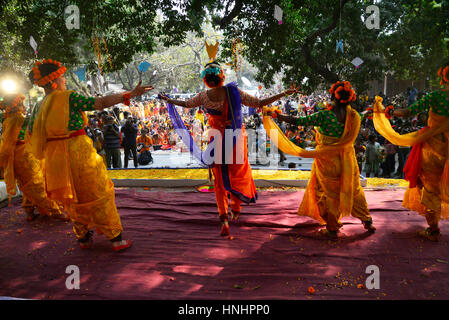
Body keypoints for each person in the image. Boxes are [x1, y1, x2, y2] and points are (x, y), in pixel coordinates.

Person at [160, 53, 297, 236]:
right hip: (235, 139)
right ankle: (236, 208)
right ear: (222, 75)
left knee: (219, 178)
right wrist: (283, 93)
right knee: (238, 173)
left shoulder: (203, 96)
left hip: (215, 139)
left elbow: (186, 104)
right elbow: (260, 102)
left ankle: (223, 217)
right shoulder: (234, 92)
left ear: (206, 79)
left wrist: (170, 101)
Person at [28, 58, 153, 251]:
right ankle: (116, 239)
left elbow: (31, 133)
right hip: (78, 153)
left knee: (73, 197)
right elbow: (100, 102)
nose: (65, 81)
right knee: (98, 192)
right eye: (62, 78)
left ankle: (83, 238)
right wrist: (129, 94)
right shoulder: (69, 98)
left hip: (55, 159)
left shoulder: (38, 106)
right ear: (54, 82)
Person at [264, 80, 376, 239]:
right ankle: (367, 220)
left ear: (333, 97)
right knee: (354, 189)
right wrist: (368, 111)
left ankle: (332, 227)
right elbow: (362, 114)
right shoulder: (354, 116)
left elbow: (299, 121)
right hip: (347, 161)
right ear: (349, 98)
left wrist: (278, 115)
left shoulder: (325, 115)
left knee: (328, 193)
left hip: (328, 161)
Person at [371, 59, 449, 241]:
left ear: (443, 77)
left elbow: (408, 112)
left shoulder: (436, 97)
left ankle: (433, 229)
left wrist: (389, 111)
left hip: (433, 147)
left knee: (430, 186)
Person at [0, 93, 66, 222]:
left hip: (19, 155)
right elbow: (35, 126)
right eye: (20, 104)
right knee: (36, 184)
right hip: (23, 156)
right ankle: (54, 210)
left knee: (27, 184)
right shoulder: (18, 119)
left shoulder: (7, 119)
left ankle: (29, 210)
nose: (23, 106)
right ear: (15, 106)